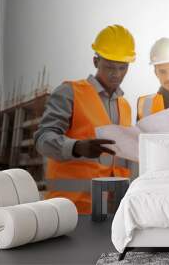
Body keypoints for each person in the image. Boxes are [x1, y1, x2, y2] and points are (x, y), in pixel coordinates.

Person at [34, 24, 136, 214]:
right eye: (110, 67)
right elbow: (42, 139)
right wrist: (77, 147)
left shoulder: (125, 106)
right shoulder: (70, 92)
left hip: (111, 211)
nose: (117, 74)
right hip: (69, 209)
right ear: (96, 61)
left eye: (123, 68)